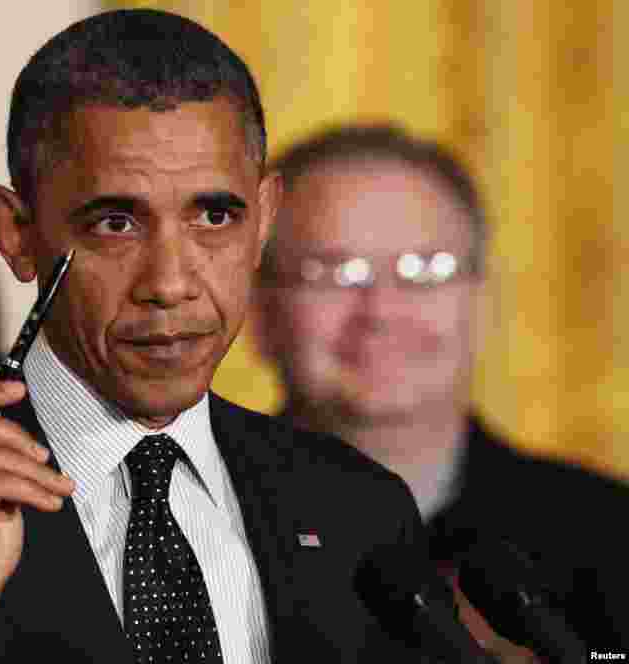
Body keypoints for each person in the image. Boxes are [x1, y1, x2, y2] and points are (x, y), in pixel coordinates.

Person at [0, 10, 443, 663]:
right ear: (16, 233)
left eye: (214, 217)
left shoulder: (359, 514)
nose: (171, 283)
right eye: (115, 223)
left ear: (263, 220)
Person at [253, 123, 629, 651]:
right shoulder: (183, 530)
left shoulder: (611, 536)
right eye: (332, 272)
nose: (380, 312)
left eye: (424, 270)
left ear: (481, 301)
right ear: (259, 312)